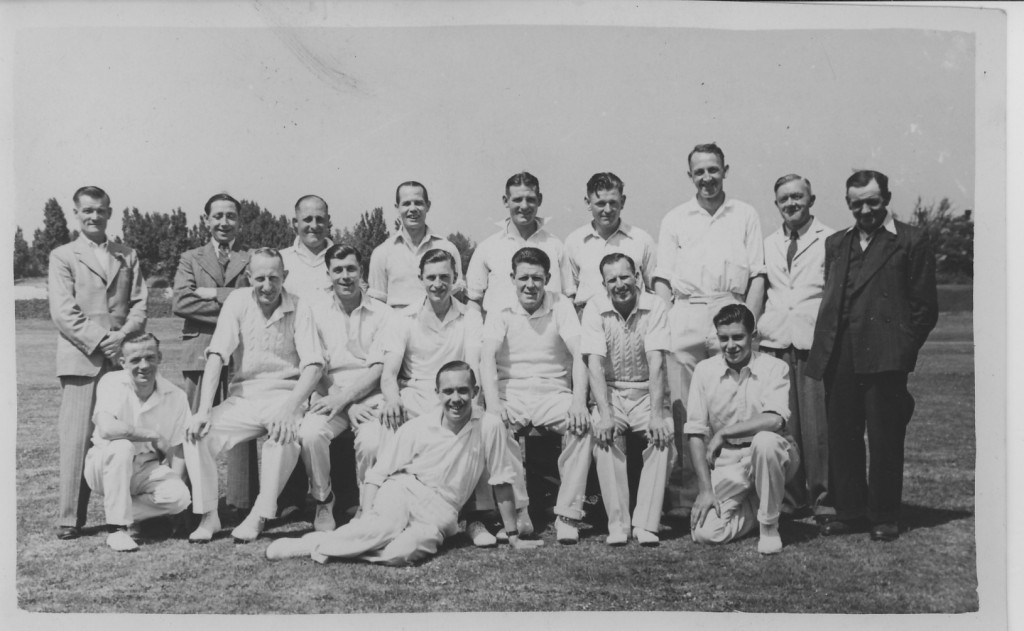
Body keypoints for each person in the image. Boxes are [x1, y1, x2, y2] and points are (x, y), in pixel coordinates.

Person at [265, 362, 544, 565]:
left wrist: (513, 536)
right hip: (403, 490)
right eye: (448, 391)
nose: (455, 399)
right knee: (377, 529)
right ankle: (309, 545)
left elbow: (501, 480)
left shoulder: (490, 426)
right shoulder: (419, 426)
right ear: (438, 392)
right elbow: (377, 474)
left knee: (402, 553)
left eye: (462, 390)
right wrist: (366, 513)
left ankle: (329, 545)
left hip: (443, 513)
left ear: (475, 390)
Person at [806, 170, 938, 542]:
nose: (865, 210)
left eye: (872, 202)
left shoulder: (911, 239)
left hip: (885, 357)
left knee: (884, 438)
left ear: (887, 198)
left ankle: (884, 514)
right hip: (840, 354)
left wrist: (901, 350)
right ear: (848, 203)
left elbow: (924, 308)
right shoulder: (836, 242)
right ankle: (850, 510)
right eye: (856, 203)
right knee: (843, 437)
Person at [651, 143, 767, 513]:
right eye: (699, 171)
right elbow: (663, 279)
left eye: (713, 170)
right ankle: (688, 497)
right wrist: (670, 320)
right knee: (687, 412)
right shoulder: (675, 218)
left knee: (734, 404)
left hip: (729, 310)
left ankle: (741, 489)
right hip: (686, 313)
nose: (707, 178)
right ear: (690, 176)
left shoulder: (745, 214)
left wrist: (745, 324)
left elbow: (758, 275)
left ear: (725, 170)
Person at [183, 248, 324, 543]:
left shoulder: (300, 305)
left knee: (285, 437)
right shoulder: (236, 301)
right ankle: (209, 515)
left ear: (285, 276)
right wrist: (204, 410)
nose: (267, 286)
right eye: (260, 278)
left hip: (285, 397)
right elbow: (217, 355)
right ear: (249, 278)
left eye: (274, 278)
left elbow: (313, 366)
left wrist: (289, 409)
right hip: (244, 398)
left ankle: (259, 515)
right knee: (196, 434)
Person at [48, 185, 148, 539]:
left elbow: (139, 305)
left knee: (123, 436)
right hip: (82, 359)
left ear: (110, 212)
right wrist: (103, 340)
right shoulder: (63, 255)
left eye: (100, 210)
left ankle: (128, 514)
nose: (94, 216)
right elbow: (64, 312)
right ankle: (69, 518)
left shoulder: (127, 254)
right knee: (77, 438)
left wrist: (121, 339)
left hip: (122, 359)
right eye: (87, 210)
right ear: (76, 213)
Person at [479, 247, 592, 544]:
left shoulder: (562, 305)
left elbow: (580, 353)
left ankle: (568, 514)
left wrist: (579, 402)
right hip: (511, 391)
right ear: (513, 278)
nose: (530, 285)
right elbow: (487, 357)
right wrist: (493, 405)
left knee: (583, 424)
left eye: (537, 278)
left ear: (548, 279)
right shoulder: (499, 308)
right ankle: (520, 515)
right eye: (524, 278)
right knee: (494, 426)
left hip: (553, 391)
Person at [297, 244, 398, 531]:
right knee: (310, 434)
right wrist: (344, 402)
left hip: (370, 395)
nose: (345, 276)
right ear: (328, 274)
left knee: (373, 442)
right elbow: (314, 366)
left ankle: (369, 506)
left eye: (351, 269)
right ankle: (323, 500)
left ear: (361, 271)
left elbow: (379, 368)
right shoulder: (313, 312)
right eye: (338, 270)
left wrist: (350, 400)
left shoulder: (383, 312)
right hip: (329, 395)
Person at [685, 304, 799, 555]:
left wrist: (724, 432)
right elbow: (694, 432)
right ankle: (762, 503)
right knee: (706, 533)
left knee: (765, 442)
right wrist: (705, 491)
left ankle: (769, 526)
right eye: (723, 338)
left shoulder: (774, 367)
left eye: (738, 337)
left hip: (773, 455)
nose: (731, 345)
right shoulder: (704, 371)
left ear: (753, 336)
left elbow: (775, 421)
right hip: (729, 461)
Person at [581, 253, 675, 546]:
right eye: (612, 279)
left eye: (625, 277)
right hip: (610, 391)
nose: (620, 284)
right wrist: (605, 415)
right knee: (603, 435)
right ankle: (618, 524)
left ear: (637, 276)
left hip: (648, 391)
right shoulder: (595, 308)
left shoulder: (655, 305)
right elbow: (594, 364)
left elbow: (656, 360)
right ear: (604, 283)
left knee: (663, 435)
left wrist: (657, 414)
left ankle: (646, 523)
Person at [172, 193, 255, 513]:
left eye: (231, 216)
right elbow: (182, 303)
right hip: (199, 350)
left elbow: (256, 298)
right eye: (217, 216)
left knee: (242, 426)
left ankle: (242, 501)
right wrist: (234, 305)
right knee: (196, 424)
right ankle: (190, 503)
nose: (224, 222)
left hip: (239, 353)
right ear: (206, 220)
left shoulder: (249, 258)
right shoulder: (190, 258)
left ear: (239, 221)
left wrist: (216, 293)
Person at [758, 175, 835, 519]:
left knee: (817, 426)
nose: (791, 203)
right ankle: (790, 497)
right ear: (776, 204)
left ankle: (823, 496)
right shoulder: (767, 242)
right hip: (776, 340)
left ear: (811, 199)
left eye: (797, 197)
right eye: (784, 199)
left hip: (812, 340)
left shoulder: (830, 238)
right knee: (782, 423)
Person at [84, 332, 192, 551]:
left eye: (150, 357)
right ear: (122, 362)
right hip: (105, 464)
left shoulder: (177, 396)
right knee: (122, 445)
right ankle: (117, 530)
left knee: (179, 496)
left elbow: (178, 448)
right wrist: (151, 434)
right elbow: (107, 429)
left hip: (146, 468)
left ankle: (119, 511)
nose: (144, 365)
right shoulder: (111, 382)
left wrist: (175, 504)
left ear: (160, 357)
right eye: (135, 360)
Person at [379, 248, 483, 423]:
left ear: (455, 277)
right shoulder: (401, 318)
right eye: (431, 277)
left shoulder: (471, 317)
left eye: (444, 277)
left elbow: (474, 368)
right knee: (389, 424)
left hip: (454, 395)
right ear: (421, 279)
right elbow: (389, 374)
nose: (437, 284)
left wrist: (475, 405)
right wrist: (392, 399)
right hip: (413, 396)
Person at [465, 172, 573, 316]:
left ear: (539, 200)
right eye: (517, 199)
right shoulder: (487, 248)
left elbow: (569, 295)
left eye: (530, 199)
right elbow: (473, 300)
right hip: (501, 335)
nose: (524, 206)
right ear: (505, 201)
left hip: (548, 333)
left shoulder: (555, 245)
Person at [564, 172, 657, 313]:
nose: (607, 210)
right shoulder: (574, 241)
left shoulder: (642, 240)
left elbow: (653, 290)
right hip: (588, 321)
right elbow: (569, 293)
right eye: (600, 203)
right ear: (588, 202)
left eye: (613, 203)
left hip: (633, 320)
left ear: (623, 201)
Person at [367, 181, 465, 308]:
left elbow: (457, 297)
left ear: (428, 206)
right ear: (397, 207)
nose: (412, 209)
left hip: (438, 325)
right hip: (398, 324)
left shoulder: (447, 248)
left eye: (418, 203)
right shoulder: (382, 253)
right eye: (406, 203)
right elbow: (377, 303)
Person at [280, 194, 334, 300]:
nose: (314, 225)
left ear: (327, 220)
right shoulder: (280, 259)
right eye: (308, 219)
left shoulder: (344, 259)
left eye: (320, 219)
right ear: (295, 222)